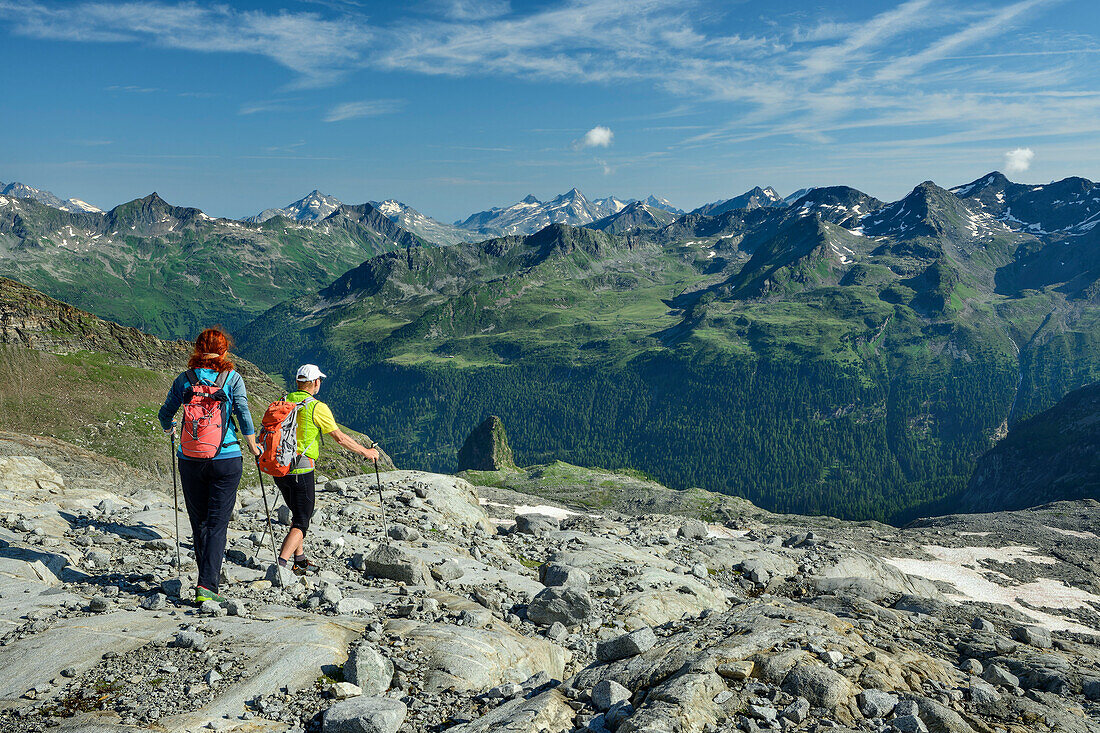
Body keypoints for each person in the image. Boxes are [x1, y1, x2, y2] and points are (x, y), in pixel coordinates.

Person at [159, 328, 259, 605]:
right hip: (226, 458)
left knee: (199, 522)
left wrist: (170, 429)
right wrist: (252, 444)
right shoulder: (232, 378)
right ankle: (207, 585)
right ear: (225, 351)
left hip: (190, 459)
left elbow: (164, 413)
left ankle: (206, 580)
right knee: (217, 524)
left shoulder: (185, 380)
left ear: (196, 350)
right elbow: (243, 412)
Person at [274, 363, 378, 574]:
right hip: (301, 470)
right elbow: (340, 438)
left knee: (296, 513)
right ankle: (281, 567)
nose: (320, 383)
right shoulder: (316, 407)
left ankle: (300, 560)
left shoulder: (283, 401)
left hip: (280, 468)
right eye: (318, 380)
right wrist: (366, 452)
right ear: (313, 383)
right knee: (302, 522)